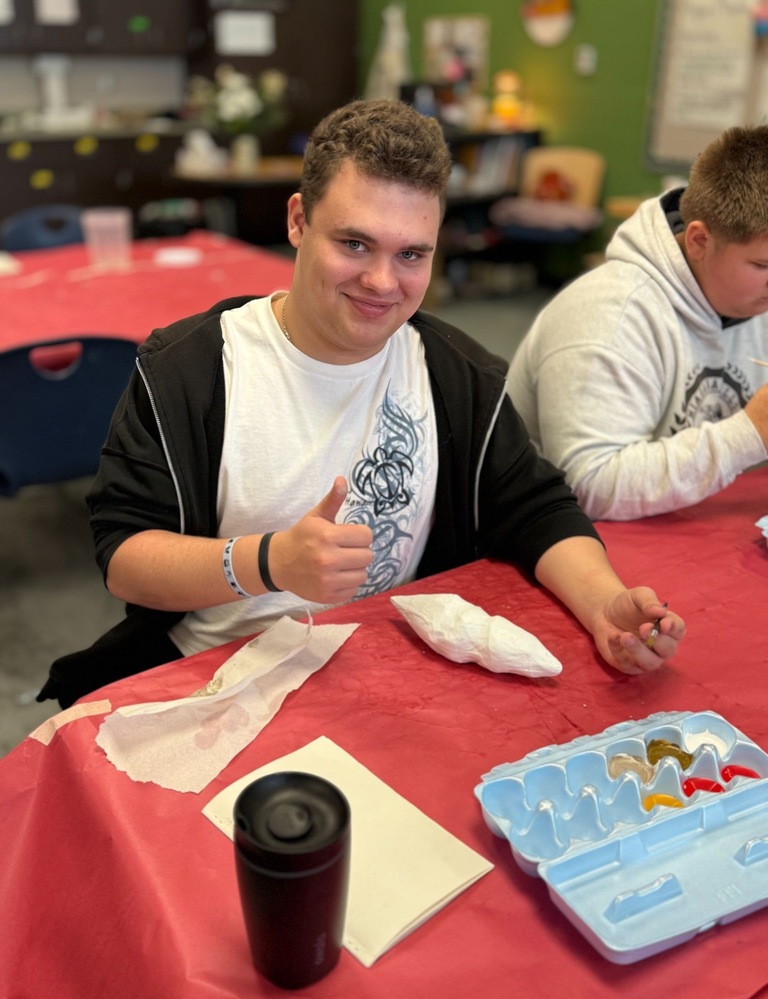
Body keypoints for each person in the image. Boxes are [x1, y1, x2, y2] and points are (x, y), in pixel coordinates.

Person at [38, 99, 684, 709]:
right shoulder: (191, 369)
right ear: (298, 221)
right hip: (214, 673)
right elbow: (125, 556)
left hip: (387, 672)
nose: (382, 282)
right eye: (354, 244)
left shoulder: (457, 375)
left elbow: (533, 507)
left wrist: (604, 605)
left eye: (411, 254)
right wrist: (270, 562)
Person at [506, 124, 768, 521]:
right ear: (699, 241)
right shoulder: (607, 316)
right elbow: (589, 486)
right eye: (763, 265)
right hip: (566, 538)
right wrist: (750, 433)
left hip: (695, 528)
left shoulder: (751, 295)